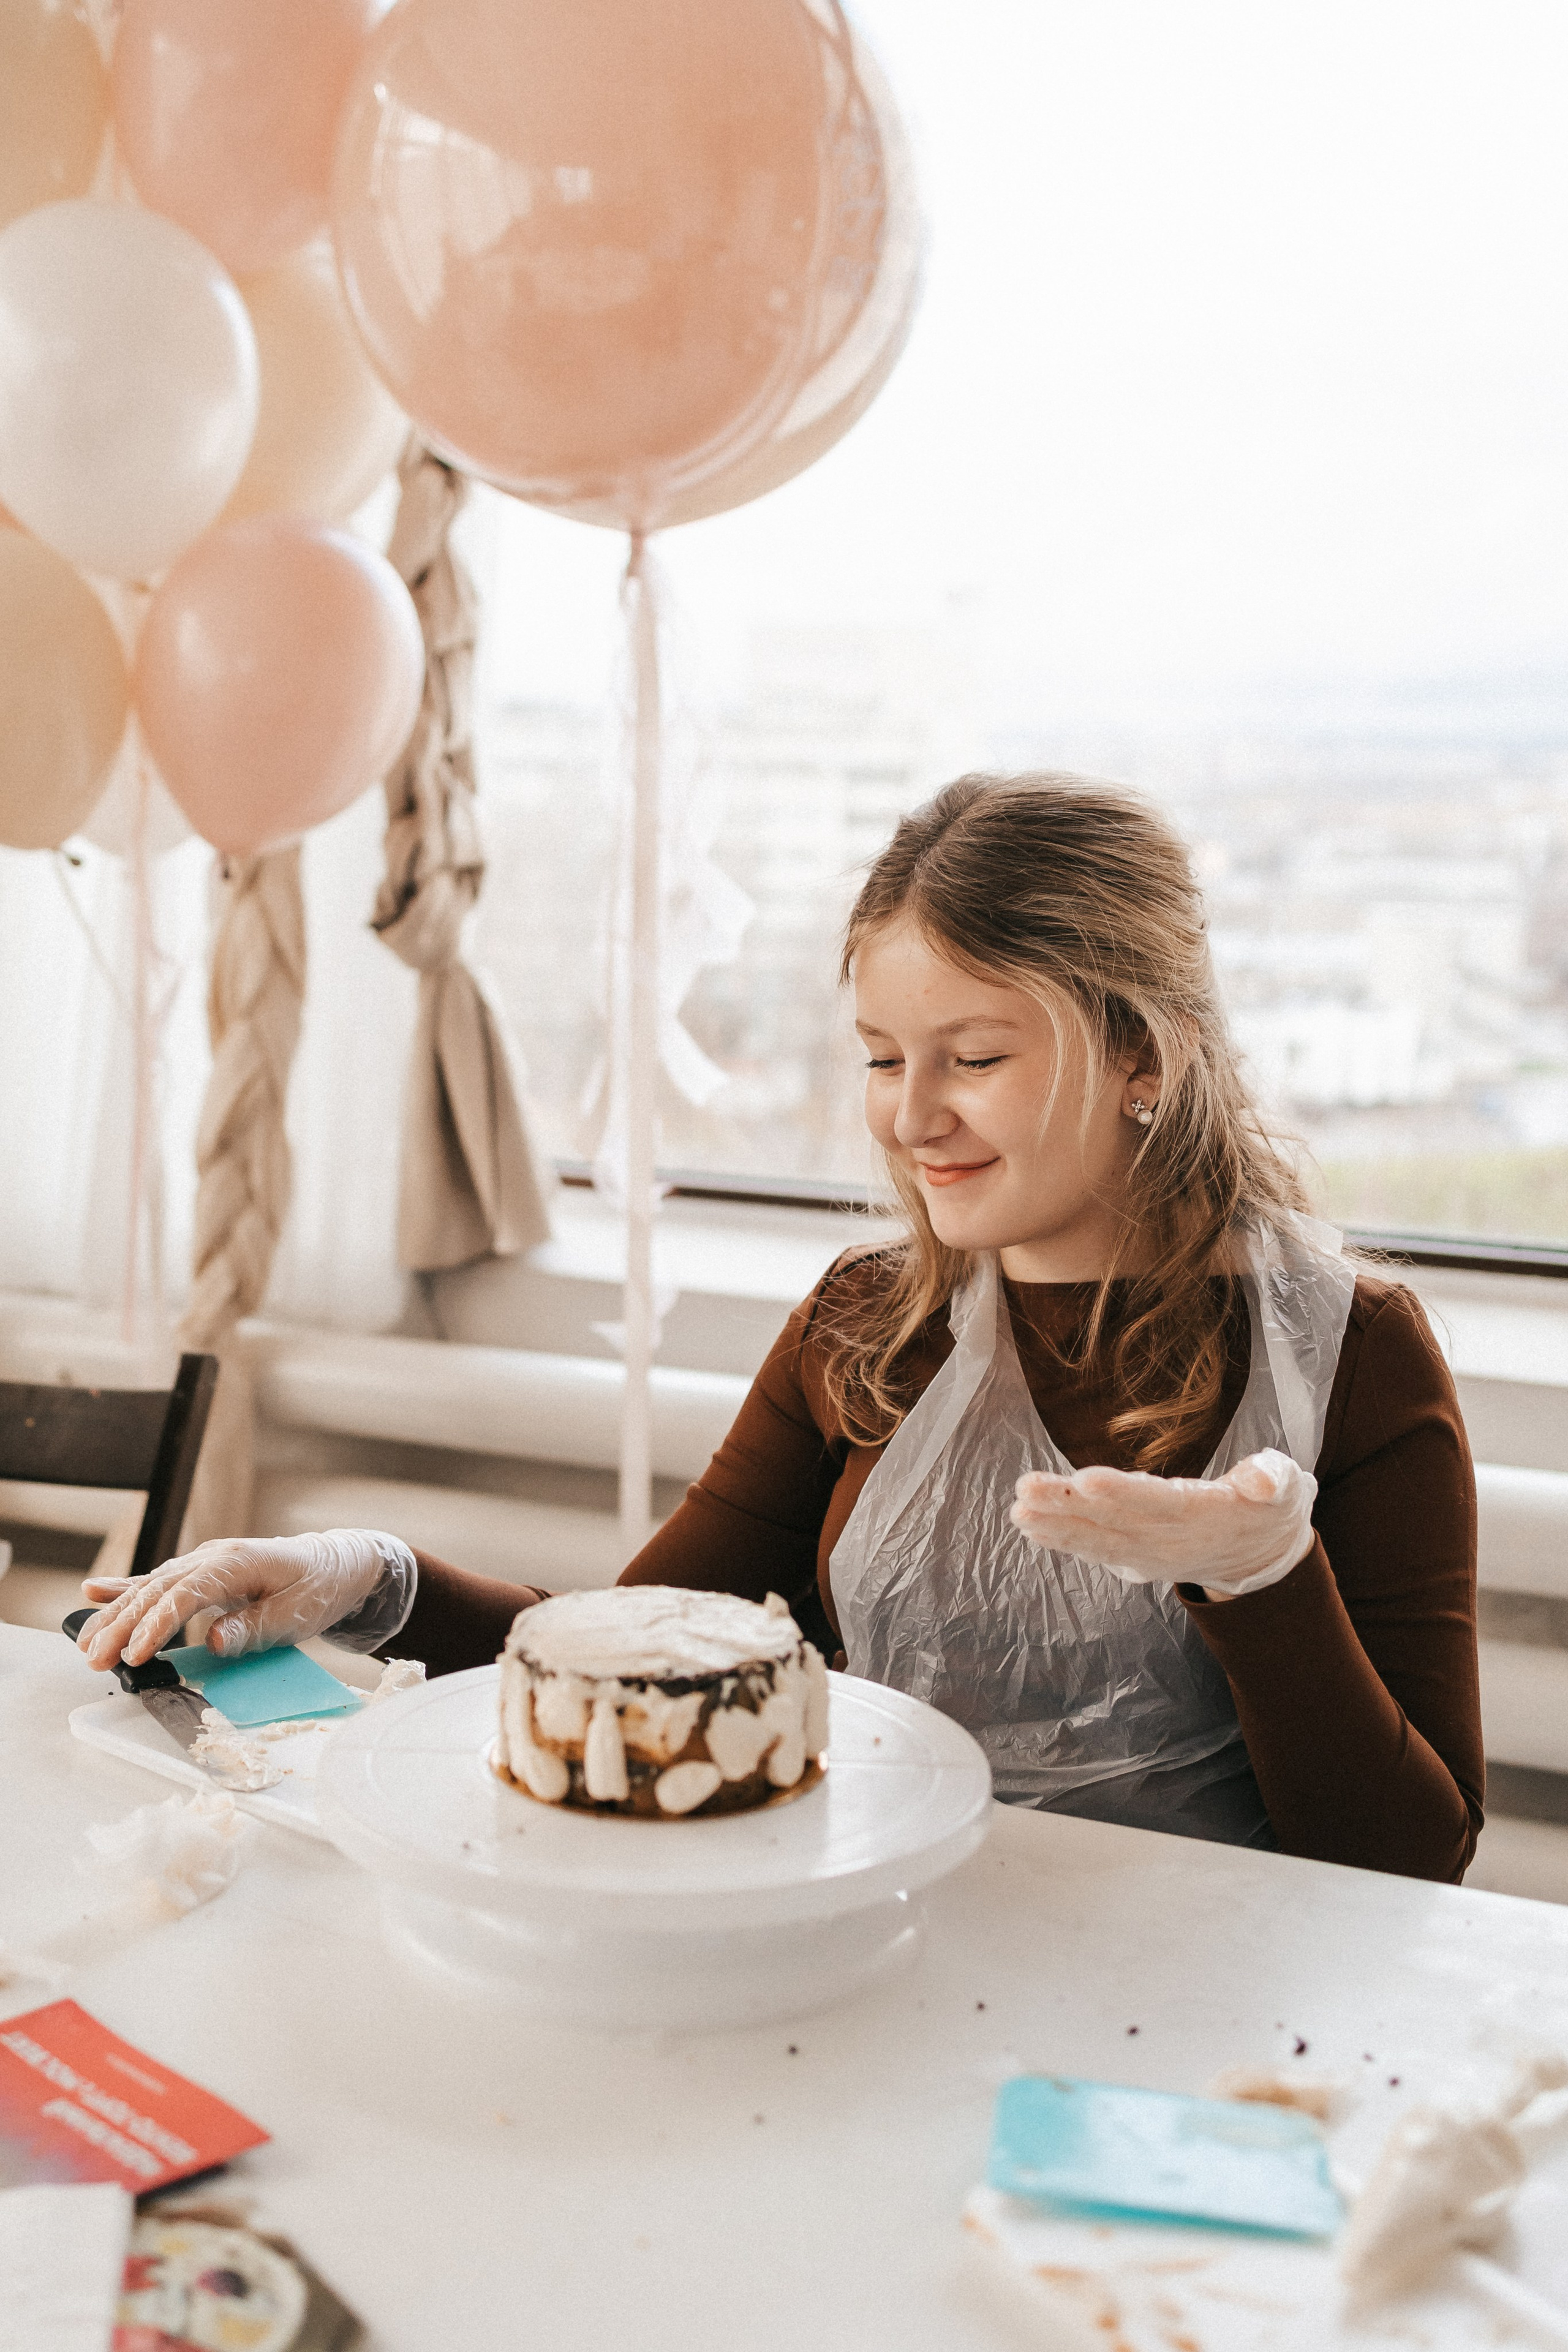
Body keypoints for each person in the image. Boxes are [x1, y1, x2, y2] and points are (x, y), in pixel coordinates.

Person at [78, 775, 1482, 1880]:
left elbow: (1408, 1858)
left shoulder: (1349, 1357)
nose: (909, 1114)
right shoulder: (866, 1325)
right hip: (877, 1938)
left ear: (1142, 1058)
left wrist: (1263, 1580)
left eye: (974, 1058)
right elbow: (626, 1649)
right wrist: (357, 1576)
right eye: (880, 1057)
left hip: (1192, 2003)